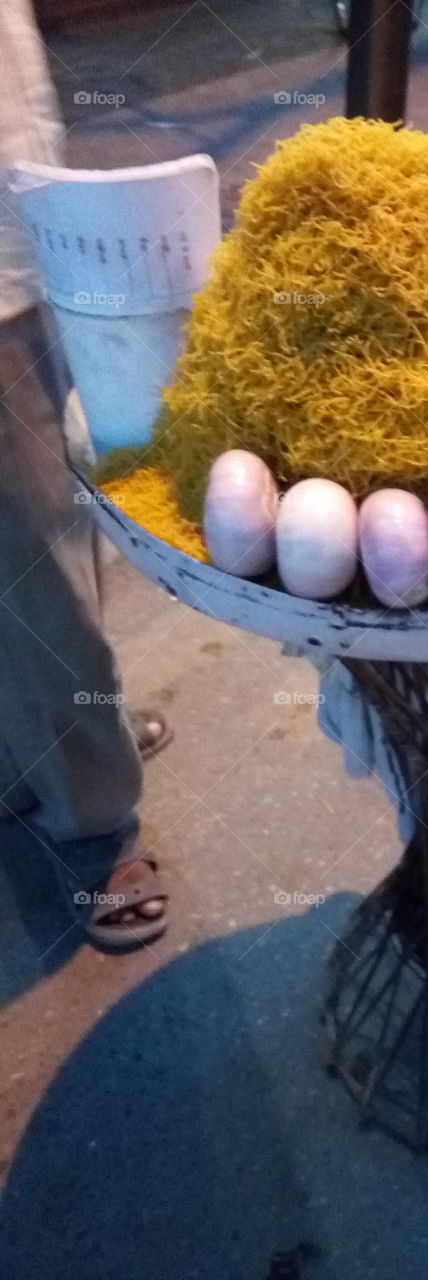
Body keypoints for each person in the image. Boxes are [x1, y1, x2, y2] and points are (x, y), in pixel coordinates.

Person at [0, 0, 169, 953]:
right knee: (36, 547)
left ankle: (42, 750)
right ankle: (92, 822)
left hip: (20, 215)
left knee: (45, 518)